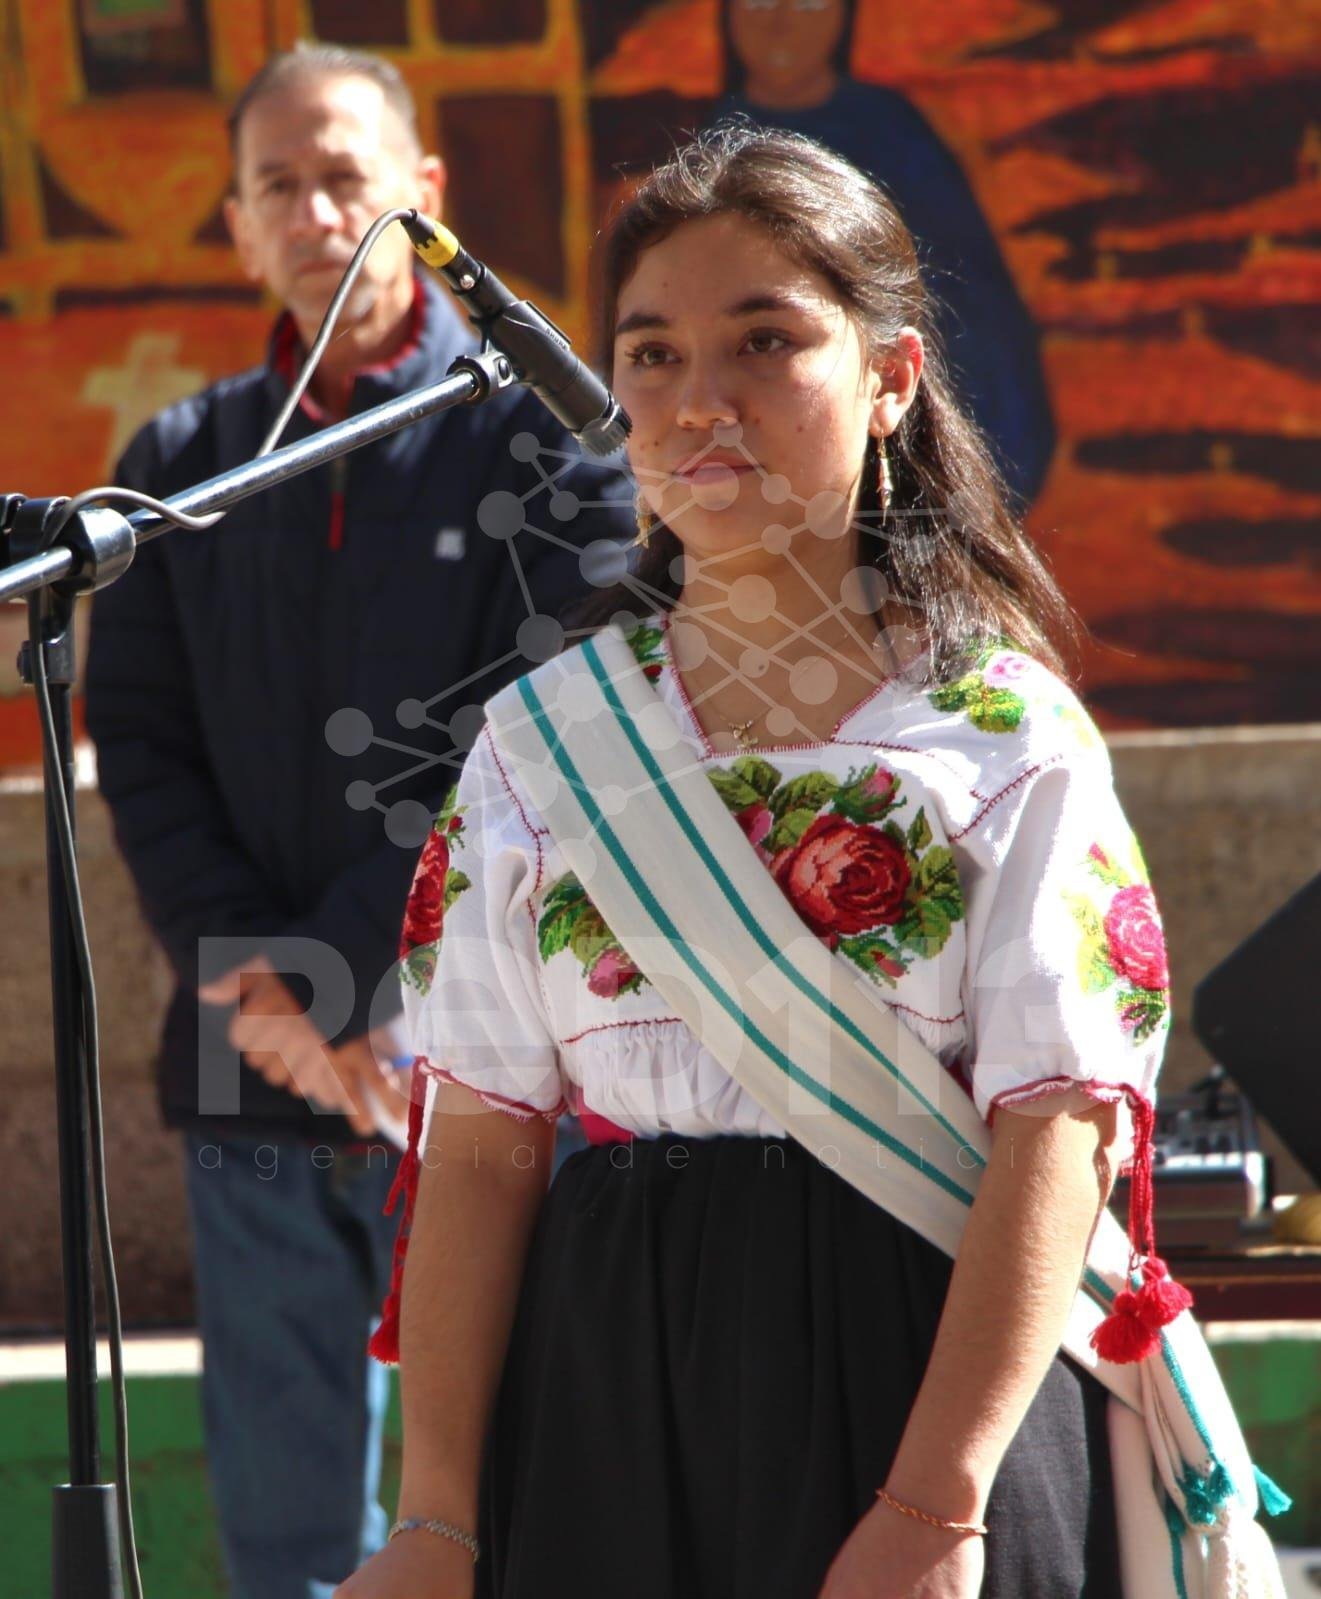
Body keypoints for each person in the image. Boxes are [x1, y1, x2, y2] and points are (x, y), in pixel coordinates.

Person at [337, 128, 1273, 1599]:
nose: (699, 399)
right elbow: (479, 1140)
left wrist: (937, 1502)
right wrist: (438, 1515)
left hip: (926, 1376)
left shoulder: (999, 733)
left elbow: (1059, 1127)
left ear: (892, 376)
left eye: (766, 340)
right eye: (648, 354)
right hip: (605, 1404)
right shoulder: (541, 744)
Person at [83, 43, 630, 1599]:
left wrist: (336, 978)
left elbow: (541, 742)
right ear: (239, 226)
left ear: (423, 202)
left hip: (481, 1035)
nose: (318, 212)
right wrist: (261, 984)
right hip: (240, 1032)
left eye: (347, 178)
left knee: (510, 1486)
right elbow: (143, 740)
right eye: (279, 187)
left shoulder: (549, 439)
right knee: (283, 1516)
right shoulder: (178, 468)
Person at [713, 0, 1057, 510]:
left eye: (809, 3)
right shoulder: (712, 148)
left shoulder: (893, 134)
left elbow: (970, 292)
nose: (780, 20)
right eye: (758, 2)